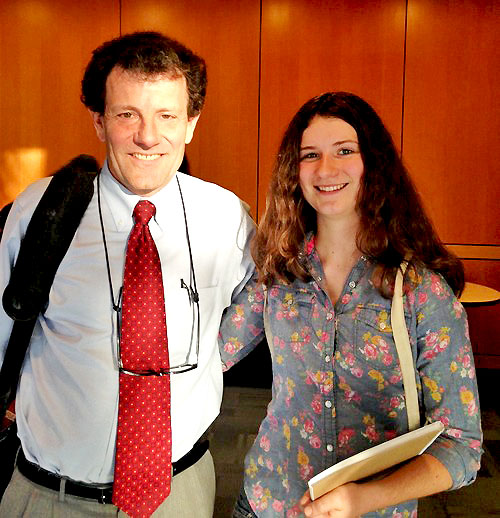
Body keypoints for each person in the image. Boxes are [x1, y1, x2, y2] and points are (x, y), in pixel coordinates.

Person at [0, 31, 254, 517]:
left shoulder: (228, 219)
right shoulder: (41, 210)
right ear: (99, 122)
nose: (147, 136)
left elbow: (272, 310)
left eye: (166, 116)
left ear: (191, 125)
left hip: (179, 495)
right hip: (53, 499)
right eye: (126, 115)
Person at [219, 92, 482, 517]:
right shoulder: (277, 274)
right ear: (294, 171)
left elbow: (463, 446)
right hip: (267, 503)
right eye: (310, 155)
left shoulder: (420, 293)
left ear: (373, 164)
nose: (326, 169)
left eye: (344, 151)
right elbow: (212, 355)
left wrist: (364, 497)